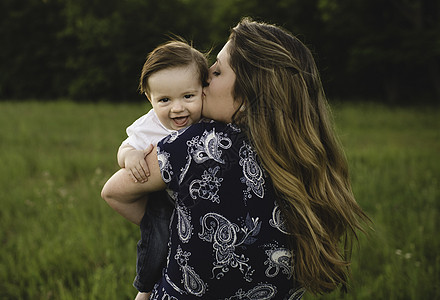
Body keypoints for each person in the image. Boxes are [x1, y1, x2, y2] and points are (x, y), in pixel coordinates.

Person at [102, 17, 369, 299]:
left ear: (247, 89)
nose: (205, 78)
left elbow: (114, 192)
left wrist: (173, 230)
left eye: (216, 72)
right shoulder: (307, 156)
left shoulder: (202, 143)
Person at [102, 40, 209, 299]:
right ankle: (146, 288)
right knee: (157, 238)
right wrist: (131, 156)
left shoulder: (209, 117)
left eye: (188, 96)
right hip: (165, 198)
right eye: (164, 100)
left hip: (201, 197)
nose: (177, 108)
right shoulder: (148, 126)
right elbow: (125, 148)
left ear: (203, 90)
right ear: (150, 99)